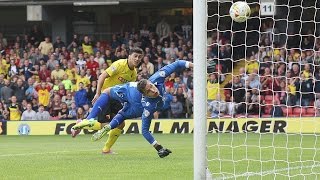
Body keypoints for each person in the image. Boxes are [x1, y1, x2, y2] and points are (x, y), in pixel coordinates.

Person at [87, 60, 193, 158]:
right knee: (124, 113)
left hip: (135, 94)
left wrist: (195, 66)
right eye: (149, 91)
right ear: (145, 94)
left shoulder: (157, 77)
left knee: (123, 113)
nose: (154, 90)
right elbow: (144, 131)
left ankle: (108, 126)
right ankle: (104, 125)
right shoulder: (148, 107)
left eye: (151, 86)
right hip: (132, 98)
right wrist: (158, 147)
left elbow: (178, 63)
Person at [71, 47, 144, 154]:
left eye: (139, 57)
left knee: (120, 124)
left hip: (117, 98)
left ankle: (106, 149)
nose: (137, 59)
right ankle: (81, 124)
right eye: (135, 56)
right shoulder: (119, 64)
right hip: (107, 95)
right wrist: (98, 93)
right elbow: (102, 76)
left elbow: (127, 89)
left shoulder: (134, 73)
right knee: (104, 124)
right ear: (129, 56)